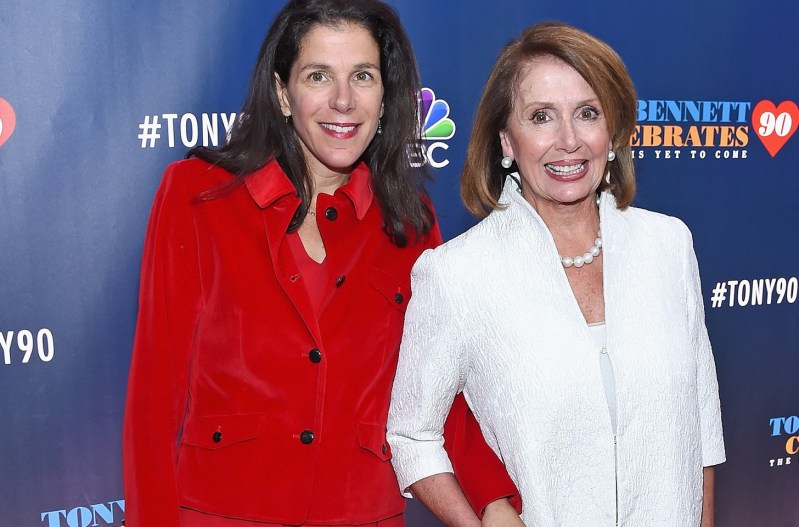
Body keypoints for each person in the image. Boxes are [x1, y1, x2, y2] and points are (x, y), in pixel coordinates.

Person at [122, 1, 520, 526]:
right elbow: (155, 402)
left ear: (386, 96)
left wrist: (495, 502)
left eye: (362, 76)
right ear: (283, 93)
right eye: (318, 76)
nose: (342, 100)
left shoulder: (410, 222)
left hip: (362, 514)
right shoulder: (197, 197)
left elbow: (436, 392)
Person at [387, 21, 725, 527]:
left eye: (587, 113)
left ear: (611, 133)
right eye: (541, 116)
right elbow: (412, 435)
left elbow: (701, 422)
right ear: (506, 141)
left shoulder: (668, 245)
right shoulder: (456, 274)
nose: (568, 141)